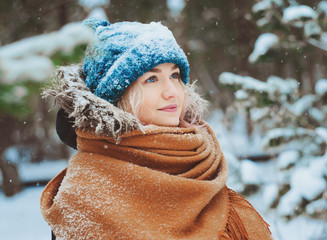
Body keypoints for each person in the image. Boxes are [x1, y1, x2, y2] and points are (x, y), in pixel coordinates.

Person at [40, 19, 272, 240]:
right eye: (152, 79)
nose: (172, 91)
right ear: (116, 96)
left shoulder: (198, 163)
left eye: (175, 75)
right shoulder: (86, 195)